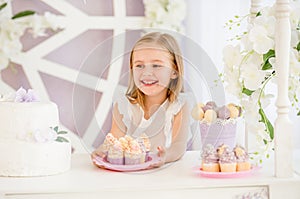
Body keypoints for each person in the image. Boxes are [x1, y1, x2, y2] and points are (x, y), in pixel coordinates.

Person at [91, 32, 190, 168]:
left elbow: (179, 146)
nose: (147, 73)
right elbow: (115, 142)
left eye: (156, 65)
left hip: (164, 176)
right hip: (129, 179)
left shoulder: (179, 105)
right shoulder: (123, 106)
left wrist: (165, 156)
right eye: (139, 66)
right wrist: (102, 151)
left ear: (174, 71)